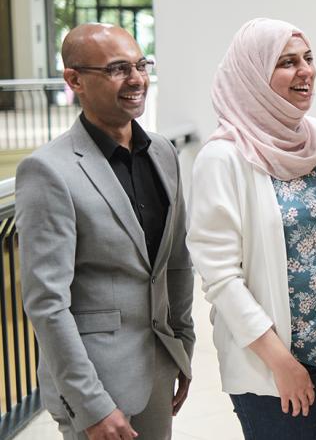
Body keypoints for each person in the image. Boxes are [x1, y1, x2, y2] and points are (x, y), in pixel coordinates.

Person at [187, 18, 316, 439]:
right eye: (287, 62)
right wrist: (281, 363)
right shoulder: (223, 157)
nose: (305, 71)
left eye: (308, 59)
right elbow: (222, 278)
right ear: (253, 75)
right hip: (276, 368)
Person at [16, 23, 194, 439]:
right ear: (74, 80)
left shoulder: (163, 153)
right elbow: (47, 304)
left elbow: (176, 262)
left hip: (158, 368)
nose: (136, 79)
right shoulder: (48, 171)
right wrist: (91, 404)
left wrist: (182, 348)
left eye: (140, 65)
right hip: (95, 386)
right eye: (117, 69)